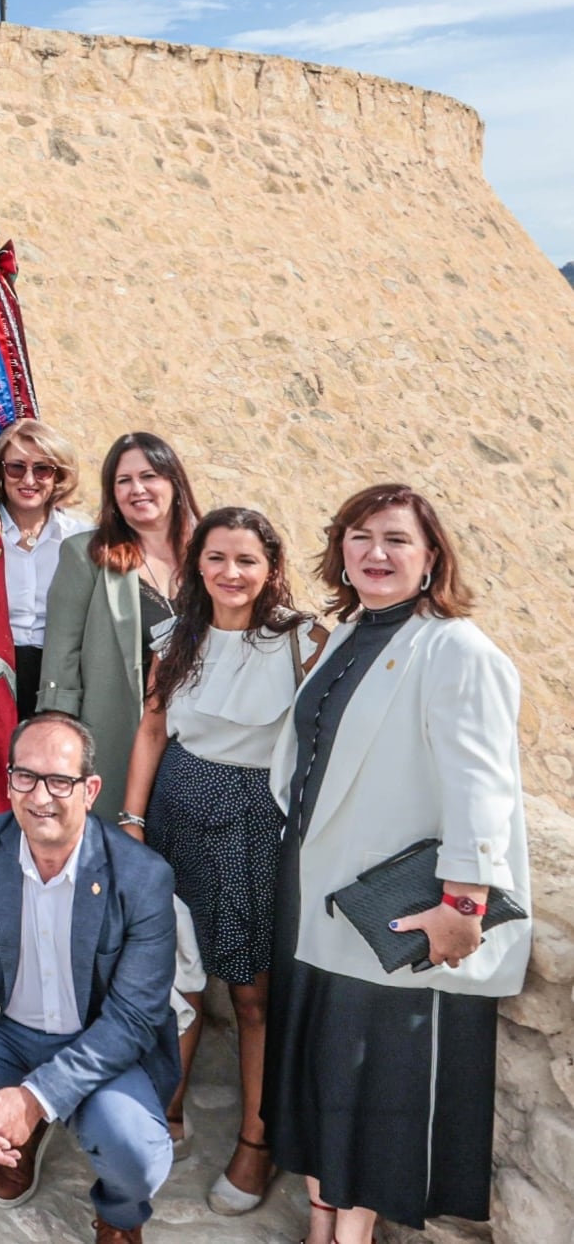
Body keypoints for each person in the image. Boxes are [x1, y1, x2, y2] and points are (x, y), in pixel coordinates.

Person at [264, 485, 531, 1244]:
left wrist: (466, 906)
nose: (374, 553)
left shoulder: (454, 648)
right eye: (358, 536)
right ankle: (323, 1223)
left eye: (395, 540)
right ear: (339, 550)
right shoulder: (349, 635)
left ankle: (347, 1236)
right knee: (319, 1071)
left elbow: (481, 786)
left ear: (430, 557)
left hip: (388, 905)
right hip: (317, 891)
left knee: (367, 1084)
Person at [0, 713, 180, 1244]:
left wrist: (36, 1097)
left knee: (136, 1157)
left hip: (93, 1041)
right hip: (0, 1029)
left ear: (90, 790)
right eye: (25, 777)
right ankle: (15, 1137)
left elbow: (134, 1019)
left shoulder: (142, 876)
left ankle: (118, 1212)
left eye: (60, 781)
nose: (41, 796)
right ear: (8, 782)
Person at [118, 507, 326, 1211]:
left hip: (251, 826)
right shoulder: (176, 635)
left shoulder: (302, 642)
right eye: (215, 558)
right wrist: (132, 819)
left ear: (269, 568)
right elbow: (151, 727)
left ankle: (254, 1142)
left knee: (248, 992)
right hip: (175, 811)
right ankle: (162, 1108)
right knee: (167, 973)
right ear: (195, 564)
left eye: (245, 560)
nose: (229, 574)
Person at [38, 432, 201, 825]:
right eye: (123, 480)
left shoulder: (208, 558)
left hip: (198, 744)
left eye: (149, 476)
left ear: (174, 483)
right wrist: (60, 755)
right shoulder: (85, 555)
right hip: (117, 741)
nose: (137, 489)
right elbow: (61, 660)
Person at [0, 419, 89, 719]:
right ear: (1, 471)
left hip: (59, 677)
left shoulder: (82, 540)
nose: (29, 479)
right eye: (17, 467)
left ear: (58, 476)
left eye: (42, 469)